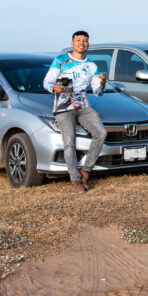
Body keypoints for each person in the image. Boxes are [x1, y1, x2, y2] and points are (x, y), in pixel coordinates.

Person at [42, 30, 108, 193]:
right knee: (69, 143)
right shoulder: (61, 61)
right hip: (64, 107)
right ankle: (75, 180)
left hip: (83, 105)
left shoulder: (91, 65)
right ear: (72, 43)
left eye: (84, 41)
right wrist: (54, 87)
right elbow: (47, 82)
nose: (81, 43)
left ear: (88, 44)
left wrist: (102, 84)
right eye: (78, 40)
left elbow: (98, 93)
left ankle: (86, 171)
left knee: (101, 133)